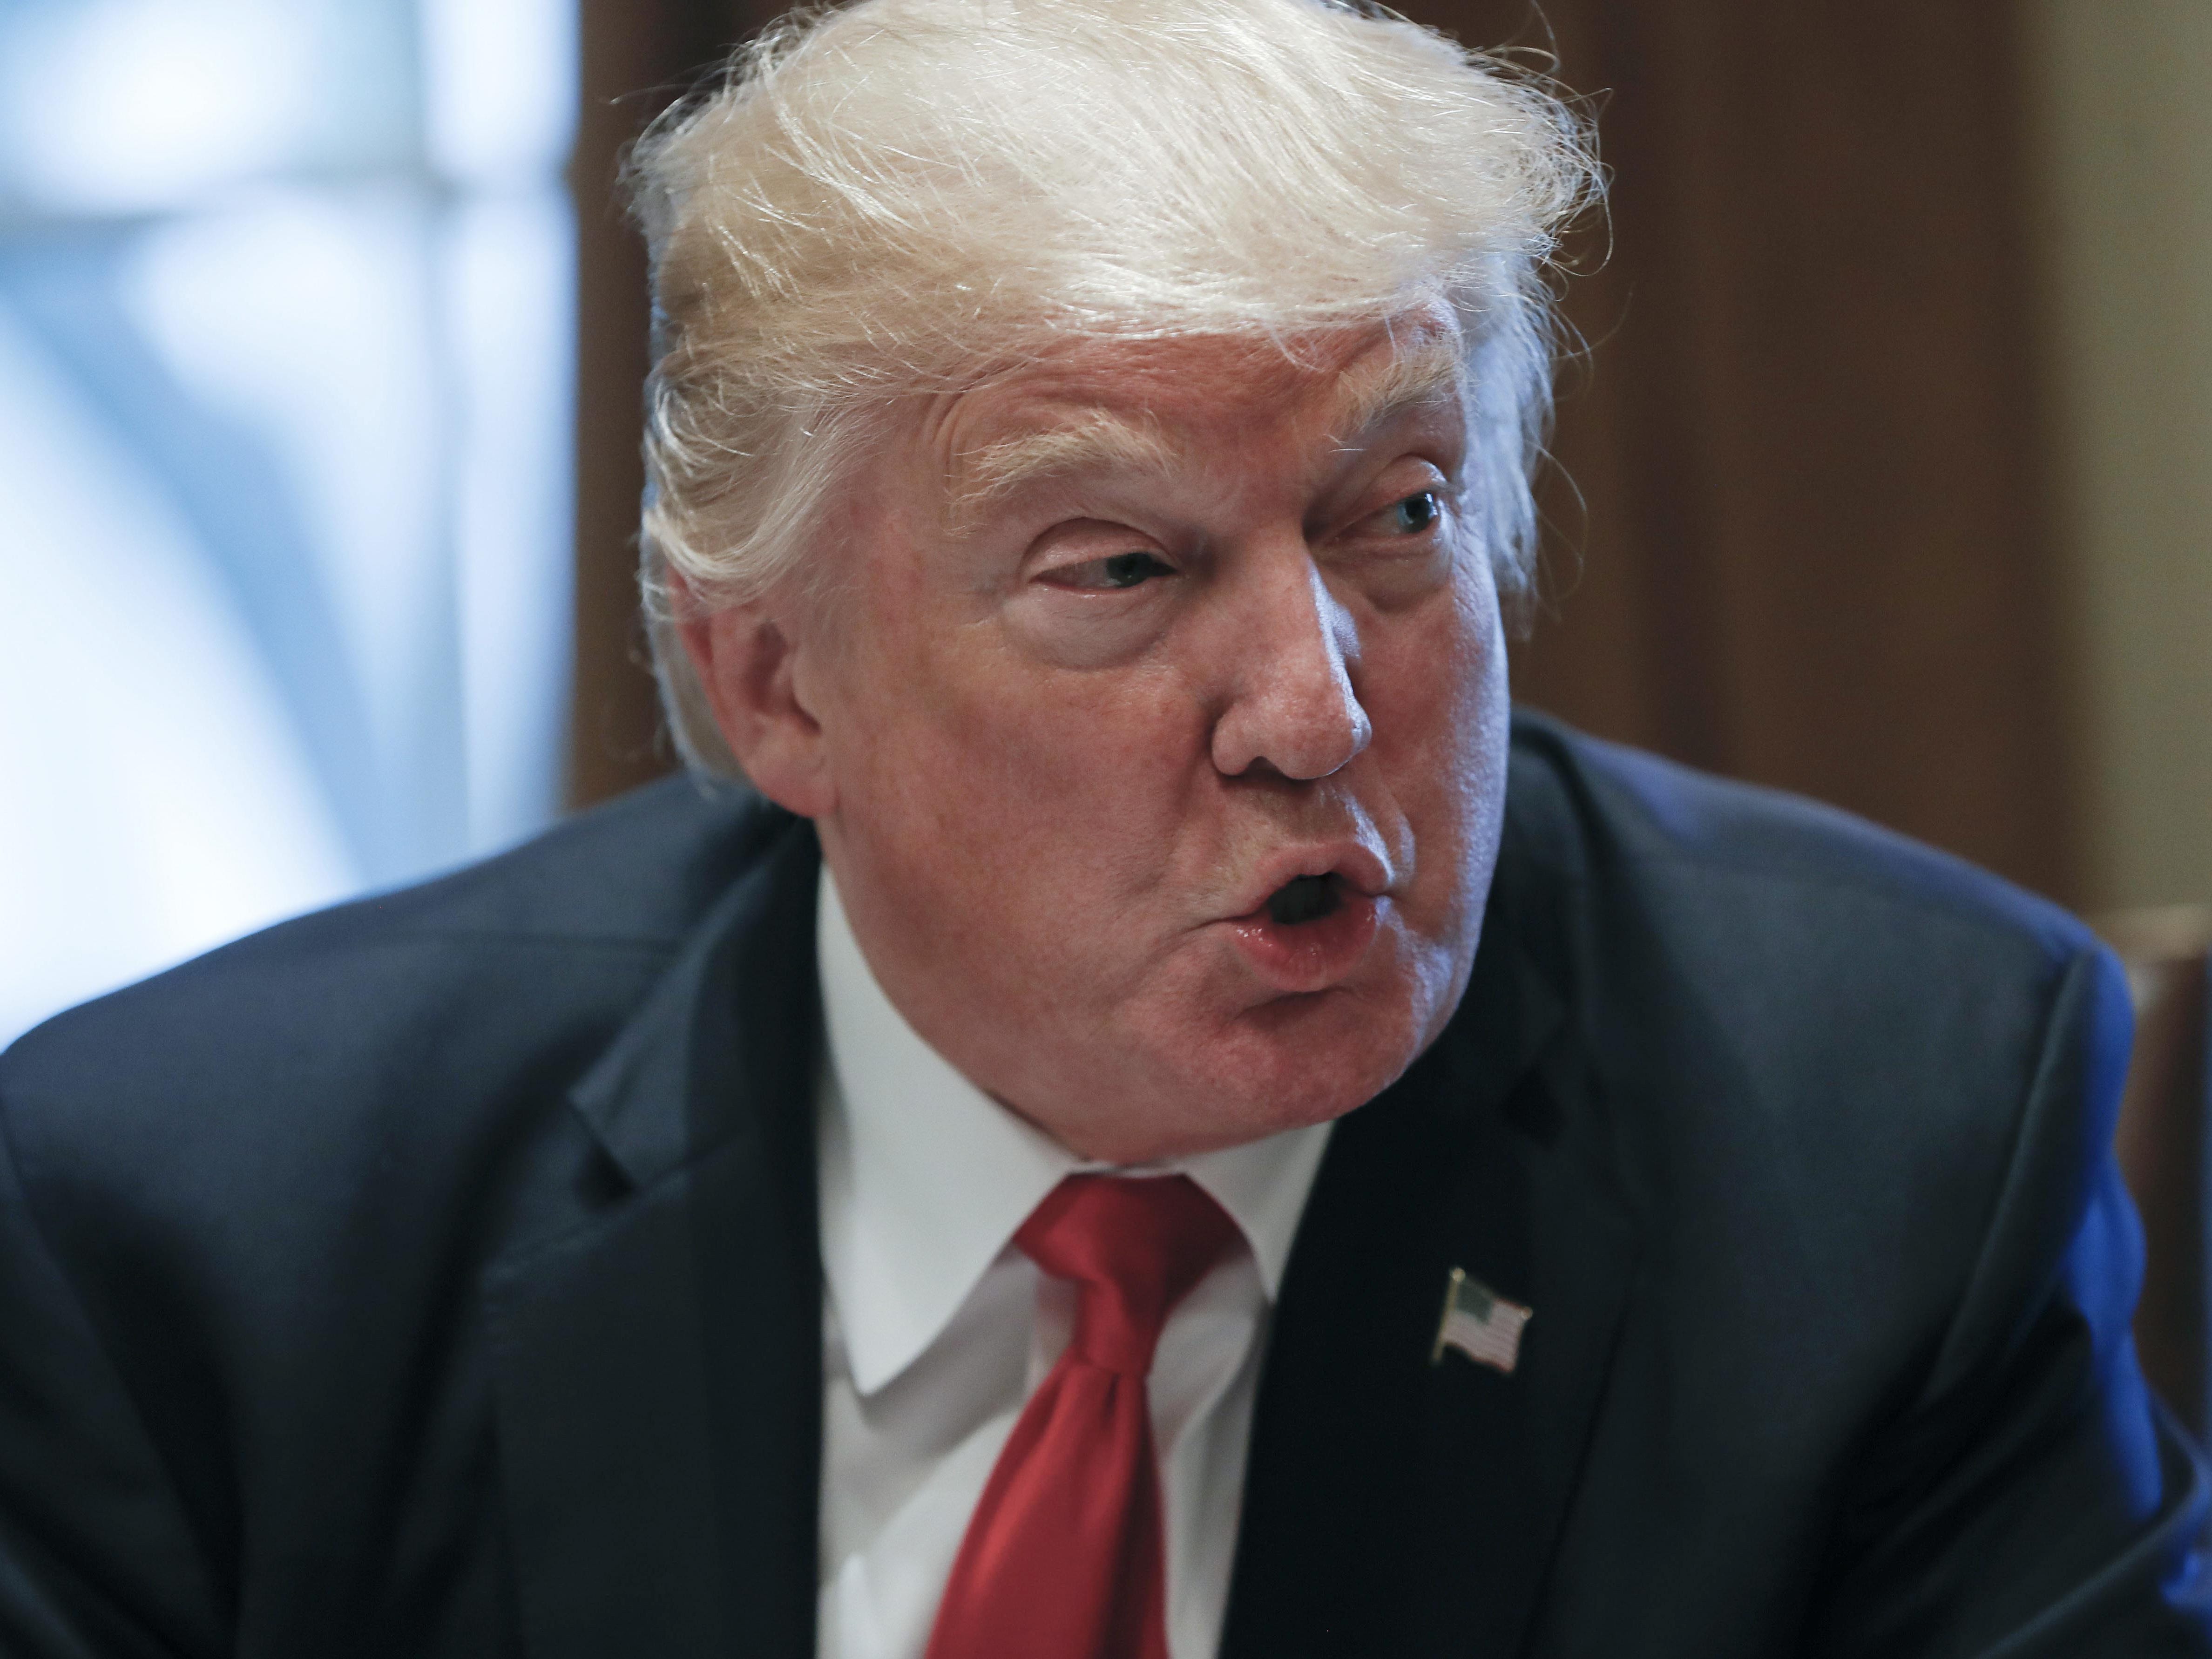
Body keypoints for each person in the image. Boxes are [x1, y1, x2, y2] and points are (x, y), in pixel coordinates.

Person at [2, 0, 2205, 1653]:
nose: (1315, 708)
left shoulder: (1887, 1133)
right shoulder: (200, 1245)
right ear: (776, 684)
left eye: (1397, 514)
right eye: (1123, 569)